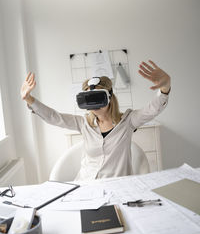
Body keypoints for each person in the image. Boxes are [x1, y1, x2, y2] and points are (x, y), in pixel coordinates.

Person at [20, 60, 171, 180]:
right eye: (89, 99)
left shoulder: (128, 121)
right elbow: (55, 117)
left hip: (117, 187)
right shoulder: (84, 124)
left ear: (109, 97)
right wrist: (29, 99)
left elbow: (152, 109)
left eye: (97, 97)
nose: (93, 105)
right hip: (86, 185)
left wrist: (165, 88)